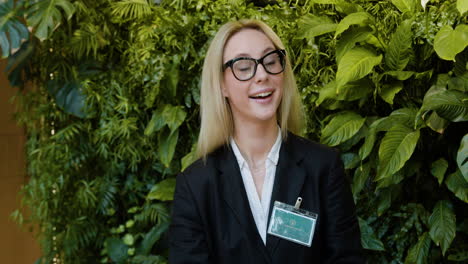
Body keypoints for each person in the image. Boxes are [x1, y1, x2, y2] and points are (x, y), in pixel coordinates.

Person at [169, 19, 365, 264]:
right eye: (243, 67)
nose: (262, 75)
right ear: (221, 85)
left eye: (270, 61)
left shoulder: (323, 167)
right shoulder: (196, 185)